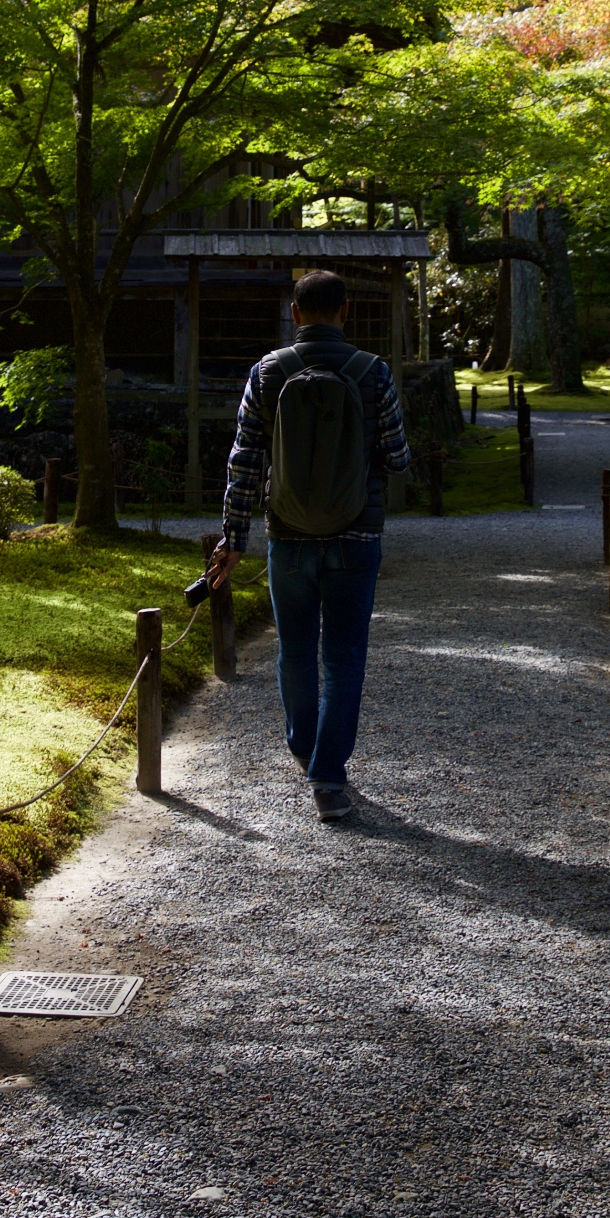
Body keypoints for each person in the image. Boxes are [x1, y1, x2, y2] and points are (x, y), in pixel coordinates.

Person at [207, 270, 410, 823]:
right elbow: (397, 456)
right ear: (346, 312)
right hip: (357, 535)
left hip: (288, 536)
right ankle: (328, 777)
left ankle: (303, 746)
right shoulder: (374, 372)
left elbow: (244, 461)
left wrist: (234, 538)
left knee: (295, 650)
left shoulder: (268, 372)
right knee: (343, 658)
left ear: (294, 314)